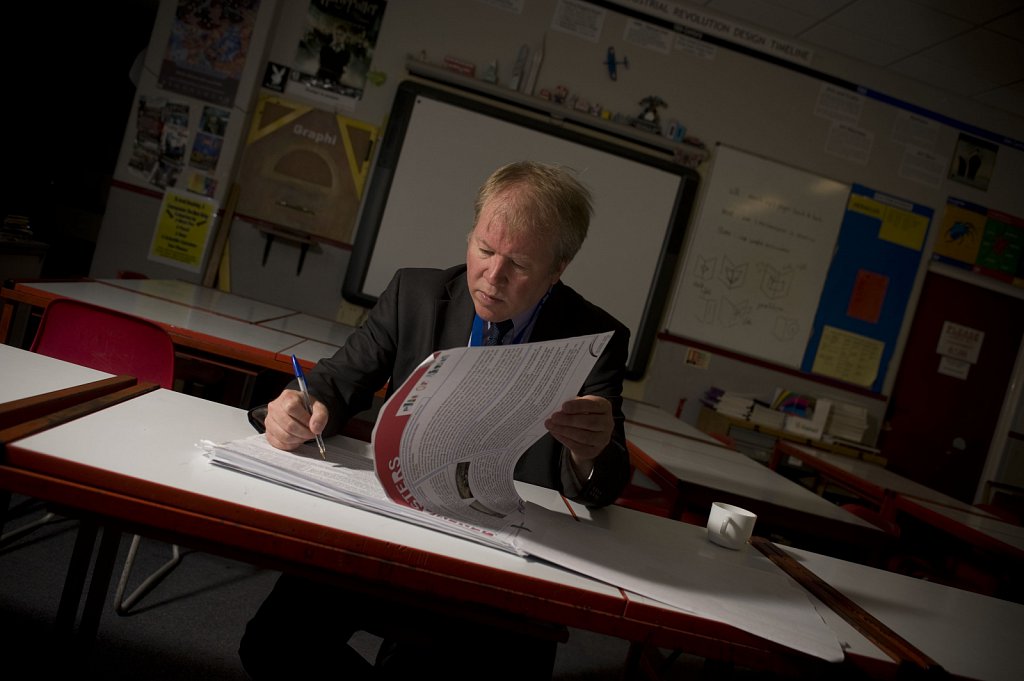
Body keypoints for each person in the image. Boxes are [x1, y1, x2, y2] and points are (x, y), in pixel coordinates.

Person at [238, 160, 631, 680]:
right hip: (391, 530)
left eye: (518, 264)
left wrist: (588, 450)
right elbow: (335, 381)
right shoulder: (415, 294)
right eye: (484, 250)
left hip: (500, 566)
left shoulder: (593, 338)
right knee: (271, 643)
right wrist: (296, 404)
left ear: (558, 269)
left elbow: (602, 485)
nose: (492, 277)